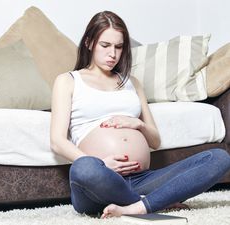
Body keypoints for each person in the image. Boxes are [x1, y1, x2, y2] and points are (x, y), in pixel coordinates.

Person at [50, 10, 230, 218]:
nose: (113, 54)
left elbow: (154, 140)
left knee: (218, 158)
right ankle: (154, 202)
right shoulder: (68, 81)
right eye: (105, 45)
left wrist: (139, 124)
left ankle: (135, 207)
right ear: (89, 43)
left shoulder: (132, 83)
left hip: (142, 179)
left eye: (119, 47)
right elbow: (57, 141)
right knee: (83, 168)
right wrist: (100, 164)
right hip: (99, 180)